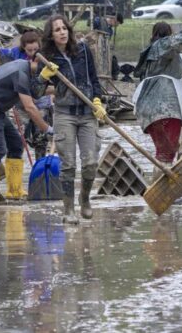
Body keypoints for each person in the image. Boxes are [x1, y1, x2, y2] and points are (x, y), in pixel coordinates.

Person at [40, 15, 105, 224]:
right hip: (65, 114)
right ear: (51, 35)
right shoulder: (47, 58)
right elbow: (34, 88)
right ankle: (68, 208)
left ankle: (84, 198)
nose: (62, 32)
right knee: (68, 165)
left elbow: (94, 79)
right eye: (57, 30)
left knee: (91, 162)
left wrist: (97, 100)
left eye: (64, 28)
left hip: (87, 113)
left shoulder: (83, 51)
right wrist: (43, 76)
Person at [0, 55, 58, 205]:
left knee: (16, 145)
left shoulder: (25, 70)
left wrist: (54, 88)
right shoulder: (20, 72)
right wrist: (47, 129)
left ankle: (14, 190)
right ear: (35, 62)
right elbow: (30, 107)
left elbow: (35, 92)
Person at [133, 22, 182, 187]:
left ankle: (166, 191)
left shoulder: (149, 53)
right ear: (168, 34)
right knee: (166, 153)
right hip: (165, 108)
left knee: (163, 152)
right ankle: (163, 192)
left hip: (149, 111)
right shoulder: (162, 45)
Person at [0, 31, 53, 160]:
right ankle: (15, 170)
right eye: (29, 50)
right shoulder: (15, 54)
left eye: (35, 49)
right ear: (23, 47)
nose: (33, 52)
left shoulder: (45, 57)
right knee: (18, 139)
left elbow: (52, 83)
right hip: (21, 104)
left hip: (41, 103)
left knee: (41, 140)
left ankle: (39, 170)